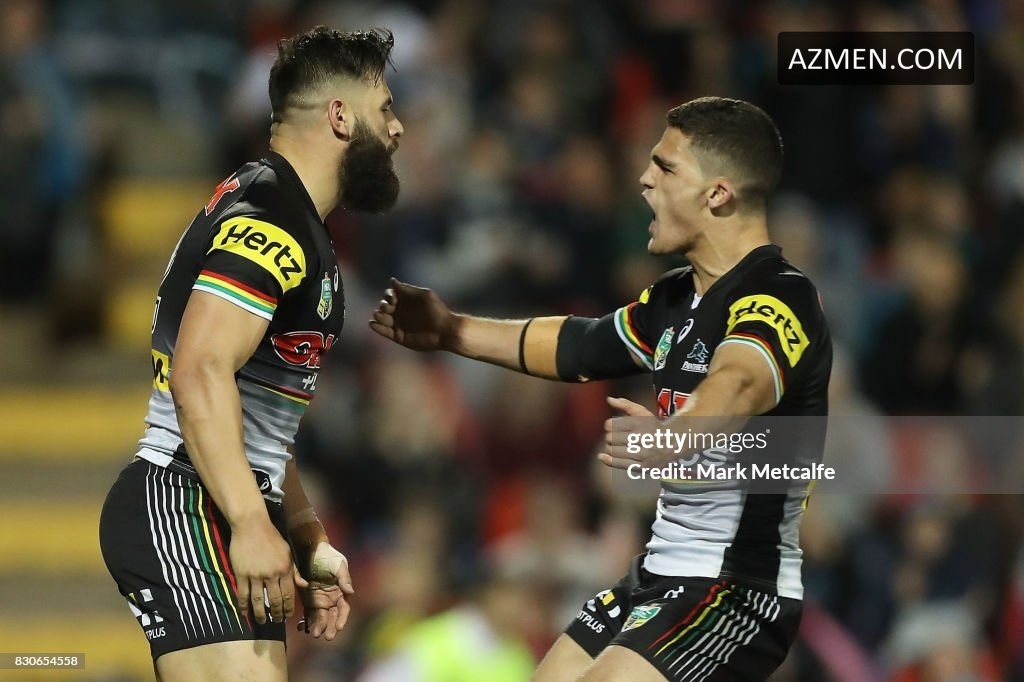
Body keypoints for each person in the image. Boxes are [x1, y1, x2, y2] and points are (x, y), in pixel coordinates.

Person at [370, 96, 832, 681]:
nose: (644, 179)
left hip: (736, 588)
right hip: (657, 576)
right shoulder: (674, 298)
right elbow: (579, 345)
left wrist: (674, 437)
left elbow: (739, 382)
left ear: (717, 193)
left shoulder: (778, 295)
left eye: (665, 167)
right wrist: (453, 331)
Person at [99, 26, 404, 681]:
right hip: (187, 501)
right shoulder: (270, 217)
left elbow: (254, 411)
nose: (398, 127)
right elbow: (200, 370)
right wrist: (248, 519)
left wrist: (304, 531)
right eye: (385, 108)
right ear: (340, 116)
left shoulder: (287, 215)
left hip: (215, 500)